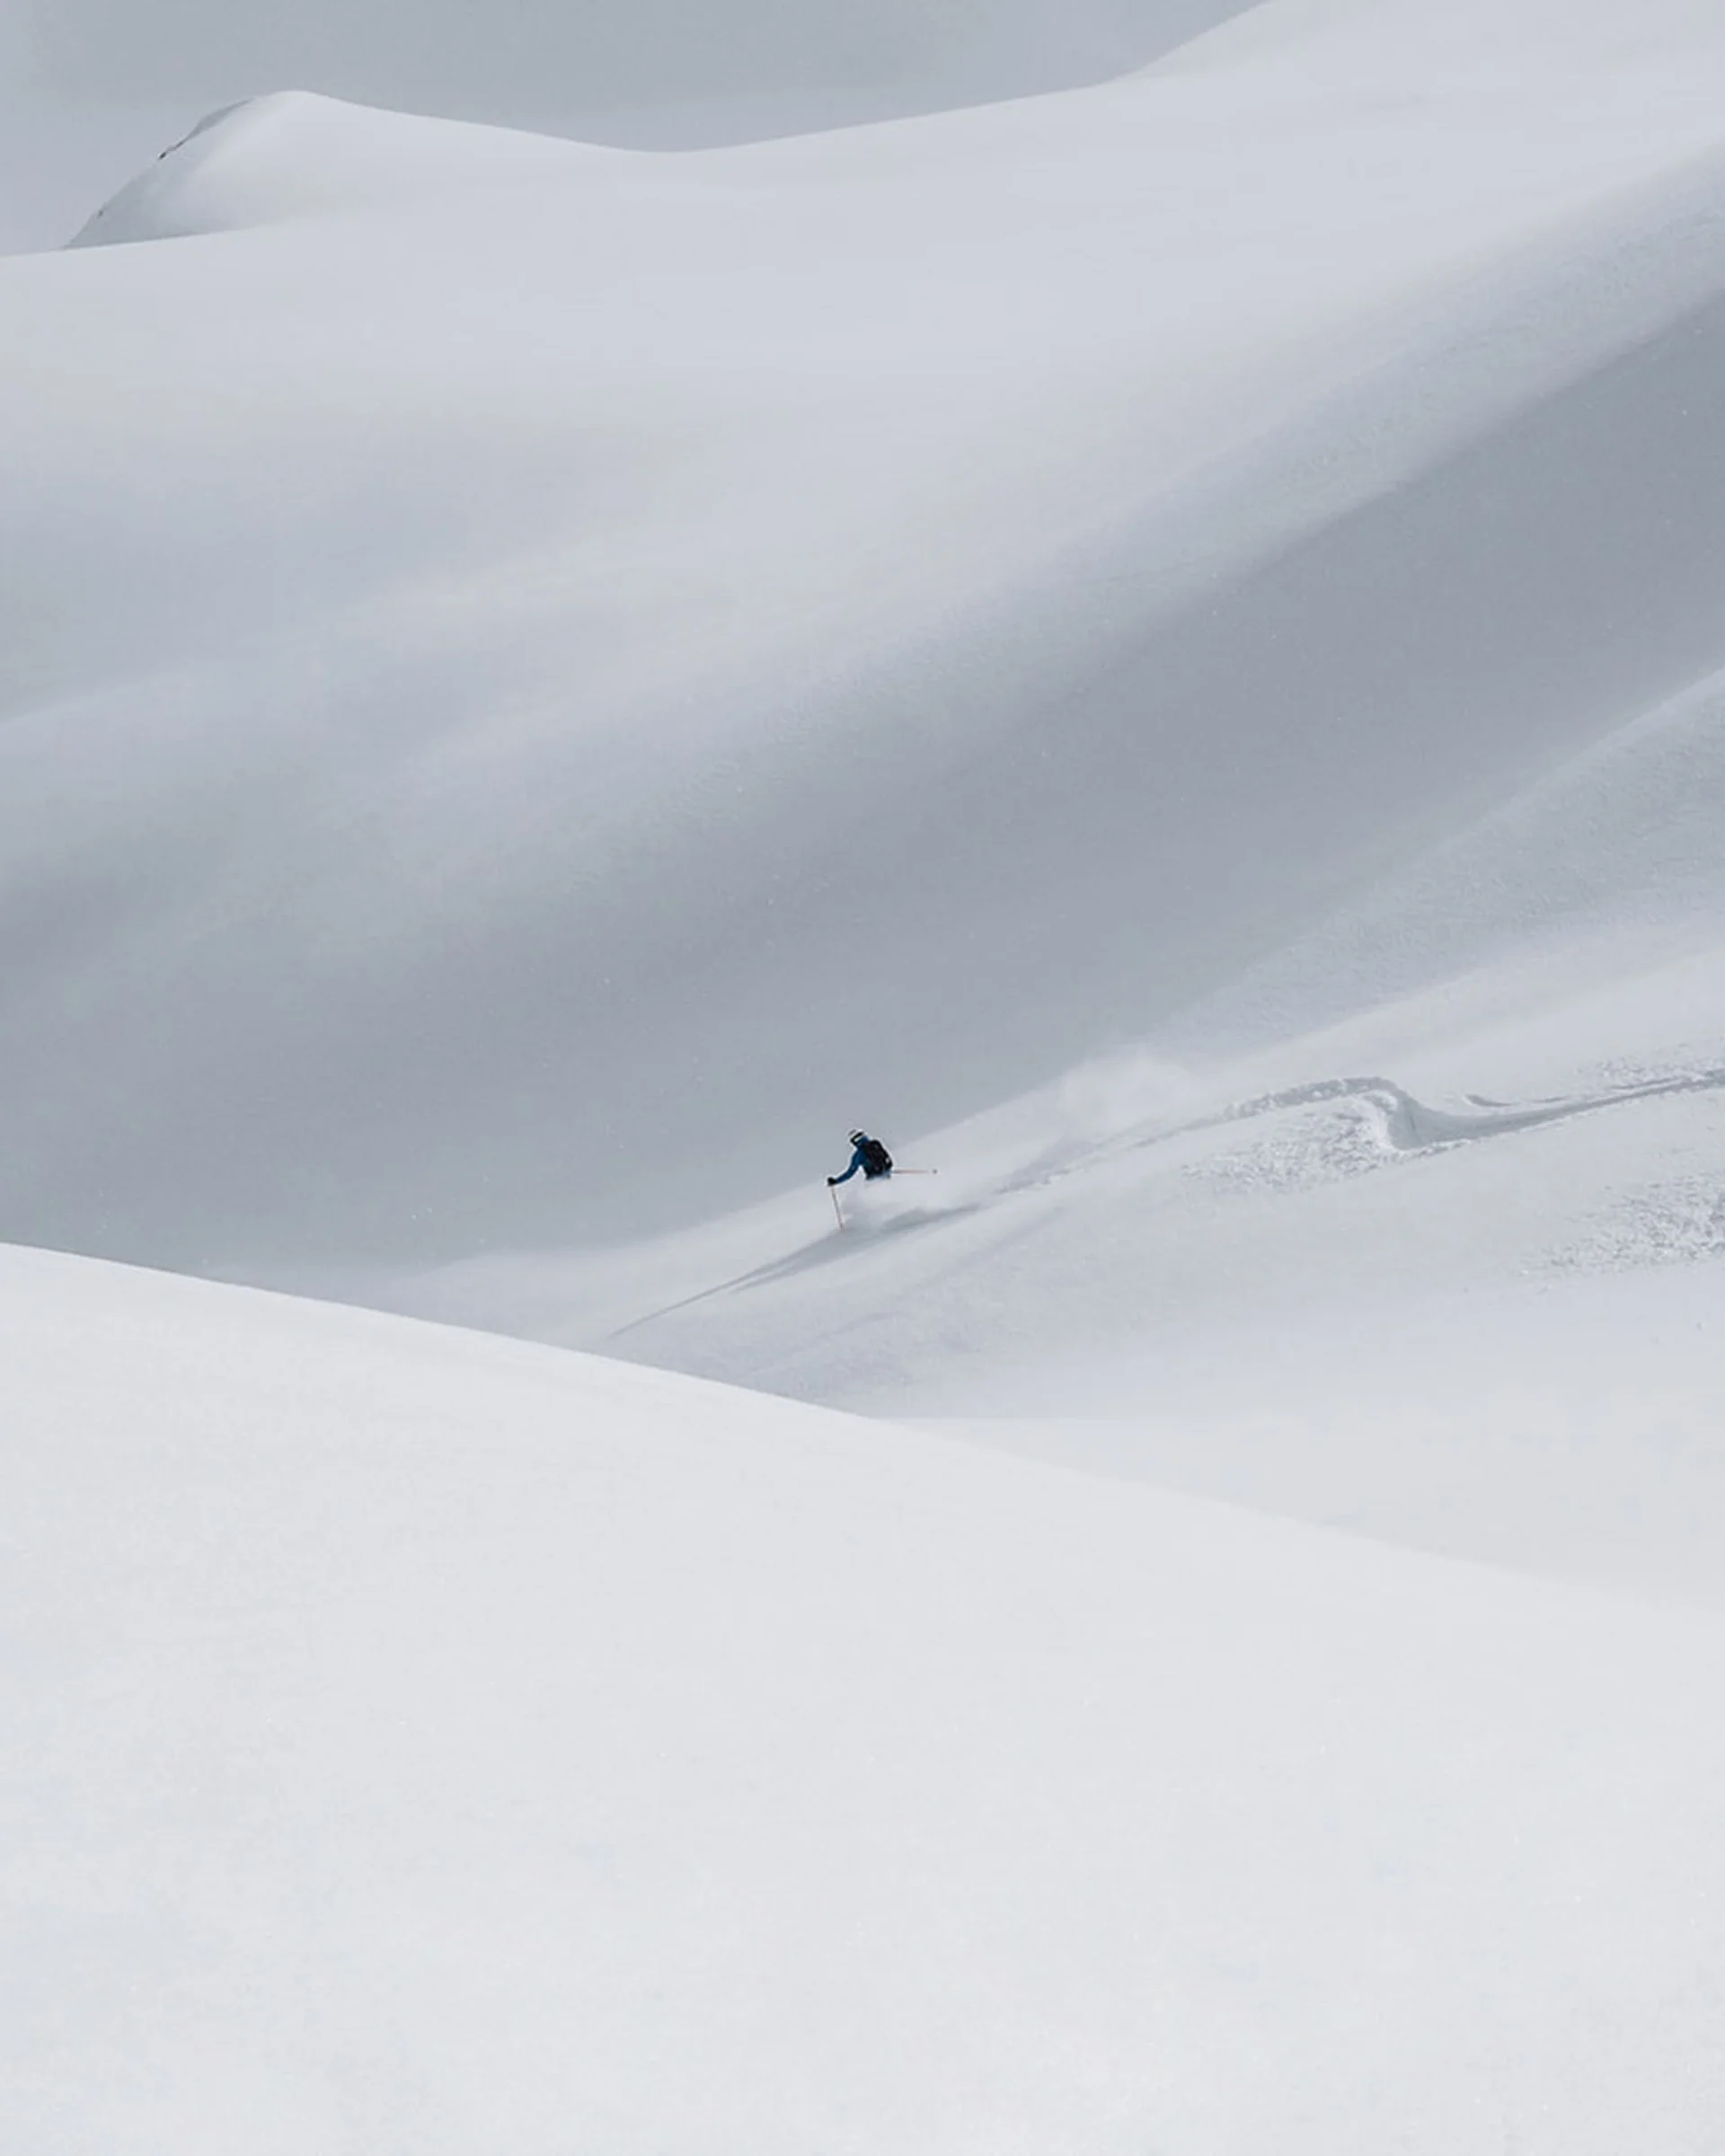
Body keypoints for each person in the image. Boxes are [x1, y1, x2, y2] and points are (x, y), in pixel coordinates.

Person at [828, 1129, 893, 1186]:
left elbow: (850, 1173)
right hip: (887, 1174)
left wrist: (836, 1181)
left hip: (873, 1180)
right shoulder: (875, 1144)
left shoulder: (858, 1155)